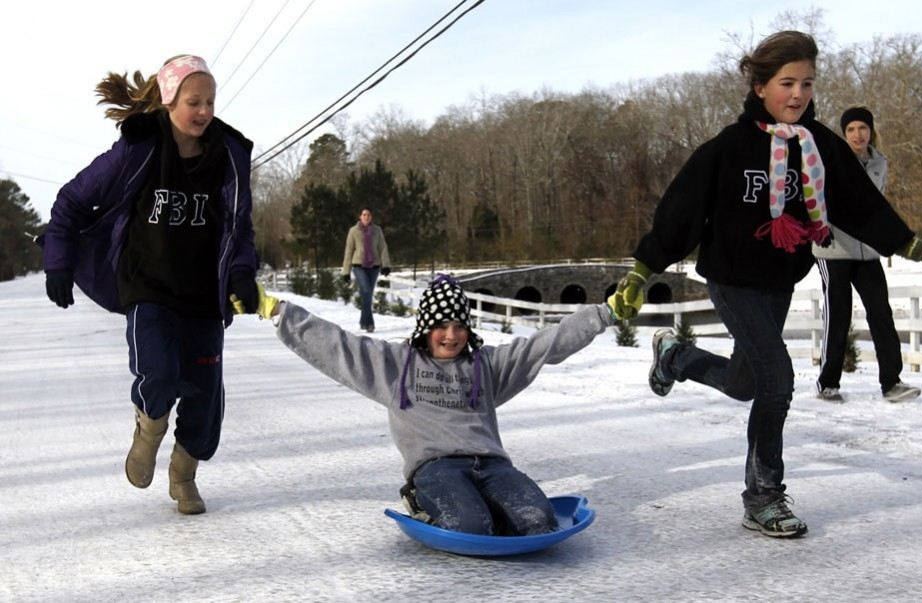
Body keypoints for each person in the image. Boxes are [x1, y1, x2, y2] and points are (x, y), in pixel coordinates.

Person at [608, 31, 922, 538]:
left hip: (780, 279)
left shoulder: (820, 148)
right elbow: (682, 211)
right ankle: (763, 496)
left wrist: (909, 244)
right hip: (732, 279)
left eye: (807, 84)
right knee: (777, 380)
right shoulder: (730, 147)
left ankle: (675, 357)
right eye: (786, 83)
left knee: (748, 383)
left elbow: (859, 203)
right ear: (760, 86)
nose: (798, 94)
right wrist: (644, 269)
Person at [40, 55, 259, 515]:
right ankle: (149, 428)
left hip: (202, 295)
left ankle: (183, 473)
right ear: (169, 100)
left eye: (210, 102)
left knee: (205, 397)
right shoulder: (139, 149)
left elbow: (239, 229)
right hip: (149, 289)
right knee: (157, 374)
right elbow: (72, 200)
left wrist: (241, 273)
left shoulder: (228, 157)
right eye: (193, 101)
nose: (203, 111)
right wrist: (58, 260)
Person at [233, 274, 618, 535]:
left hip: (493, 465)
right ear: (424, 328)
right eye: (441, 326)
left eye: (459, 326)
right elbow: (339, 347)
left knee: (539, 521)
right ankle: (426, 501)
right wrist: (279, 311)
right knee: (470, 526)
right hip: (436, 469)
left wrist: (605, 313)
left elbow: (544, 344)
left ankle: (492, 504)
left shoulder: (487, 366)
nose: (451, 336)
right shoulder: (397, 366)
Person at [812, 107, 920, 403]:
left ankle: (892, 382)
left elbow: (877, 209)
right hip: (832, 247)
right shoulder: (831, 161)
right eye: (851, 130)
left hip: (867, 250)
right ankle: (828, 383)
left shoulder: (879, 163)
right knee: (838, 313)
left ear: (871, 131)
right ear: (844, 134)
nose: (857, 135)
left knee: (880, 311)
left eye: (862, 128)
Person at [341, 207, 391, 332]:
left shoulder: (377, 230)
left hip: (374, 266)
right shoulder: (353, 231)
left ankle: (363, 321)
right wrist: (346, 271)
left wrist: (386, 265)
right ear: (360, 216)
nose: (366, 217)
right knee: (367, 291)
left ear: (371, 217)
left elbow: (383, 247)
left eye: (368, 215)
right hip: (359, 266)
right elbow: (349, 250)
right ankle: (370, 323)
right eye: (364, 214)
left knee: (366, 295)